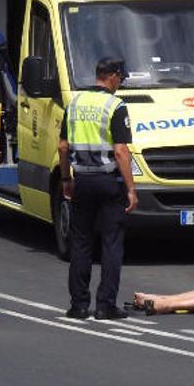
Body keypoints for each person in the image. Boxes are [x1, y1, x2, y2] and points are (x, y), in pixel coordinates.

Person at [58, 57, 138, 320]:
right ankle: (105, 305)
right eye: (121, 78)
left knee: (80, 243)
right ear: (113, 76)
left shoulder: (75, 103)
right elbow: (121, 151)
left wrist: (65, 178)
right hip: (108, 183)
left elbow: (62, 147)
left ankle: (78, 305)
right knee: (111, 243)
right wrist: (131, 189)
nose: (121, 83)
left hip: (81, 181)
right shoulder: (115, 106)